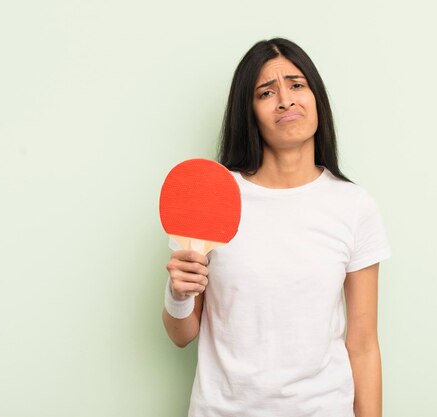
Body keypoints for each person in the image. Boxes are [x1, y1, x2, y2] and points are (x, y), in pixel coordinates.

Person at [162, 37, 392, 417]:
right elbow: (181, 335)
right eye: (266, 92)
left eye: (297, 85)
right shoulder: (213, 195)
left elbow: (364, 344)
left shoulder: (354, 206)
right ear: (248, 111)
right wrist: (178, 294)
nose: (285, 100)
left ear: (316, 98)